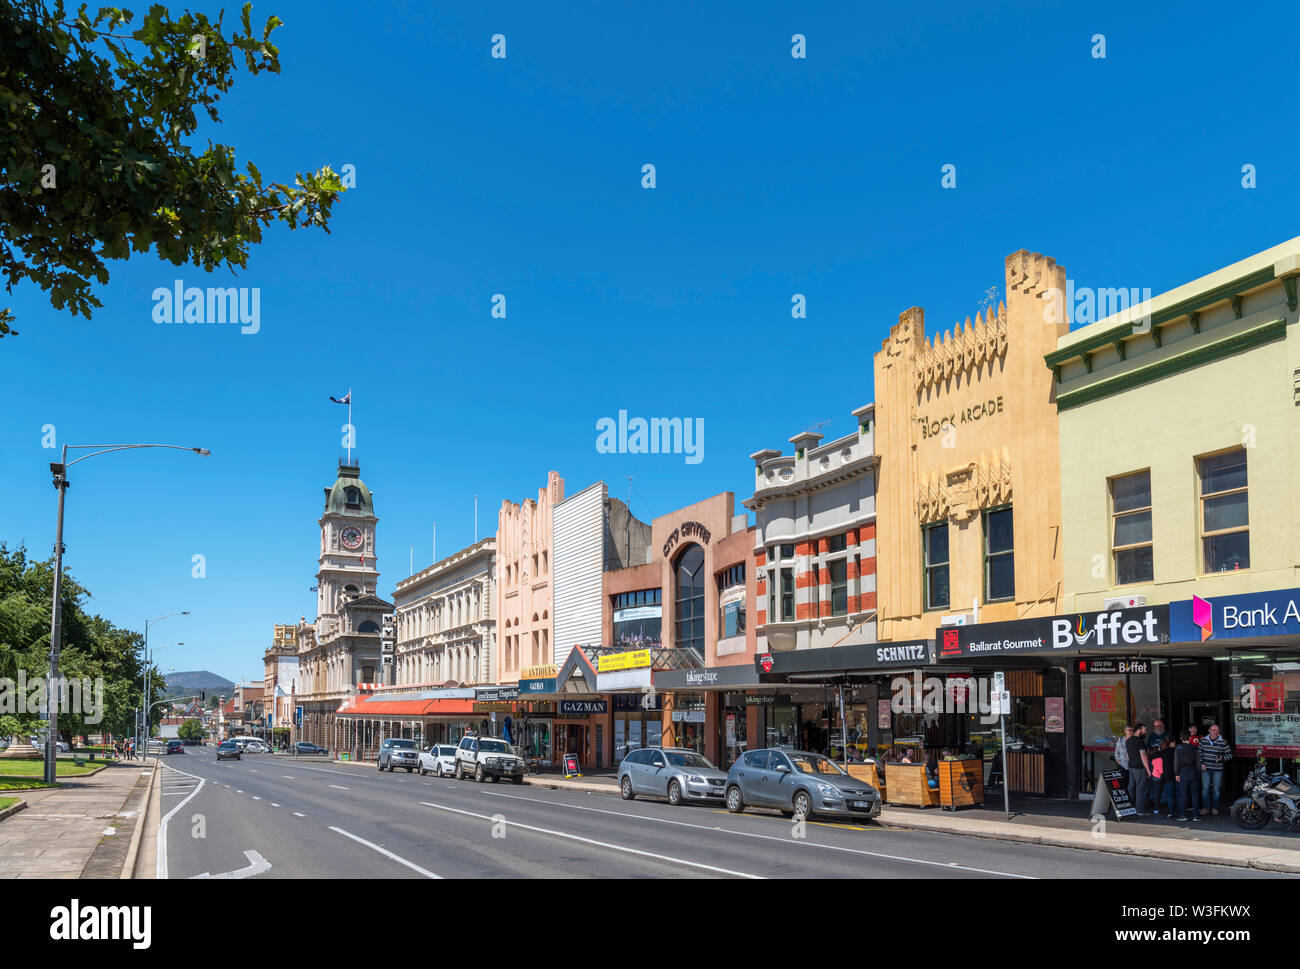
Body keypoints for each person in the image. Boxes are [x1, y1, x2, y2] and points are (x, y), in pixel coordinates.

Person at [1198, 722, 1232, 816]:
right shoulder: (1203, 740)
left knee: (1216, 789)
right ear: (1209, 731)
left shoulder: (1223, 742)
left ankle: (1214, 808)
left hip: (1217, 769)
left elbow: (1229, 755)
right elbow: (1199, 753)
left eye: (1216, 730)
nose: (1214, 732)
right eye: (1212, 730)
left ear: (1219, 731)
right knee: (1205, 789)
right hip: (1205, 768)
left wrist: (1222, 758)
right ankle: (1206, 808)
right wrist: (1202, 763)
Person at [1125, 722, 1153, 814]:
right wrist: (1148, 769)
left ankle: (1129, 807)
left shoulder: (1128, 740)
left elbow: (1128, 756)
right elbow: (1143, 756)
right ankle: (1140, 810)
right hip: (1139, 767)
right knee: (1141, 788)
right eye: (1144, 730)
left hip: (1131, 766)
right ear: (1139, 730)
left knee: (1131, 787)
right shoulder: (1139, 741)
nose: (1145, 732)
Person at [1174, 729, 1201, 822]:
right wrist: (1198, 772)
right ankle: (1195, 816)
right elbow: (1198, 762)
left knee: (1183, 795)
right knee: (1195, 794)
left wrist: (1177, 773)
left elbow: (1176, 762)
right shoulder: (1195, 748)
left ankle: (1183, 815)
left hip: (1183, 772)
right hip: (1193, 771)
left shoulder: (1178, 748)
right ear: (1190, 738)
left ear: (1181, 738)